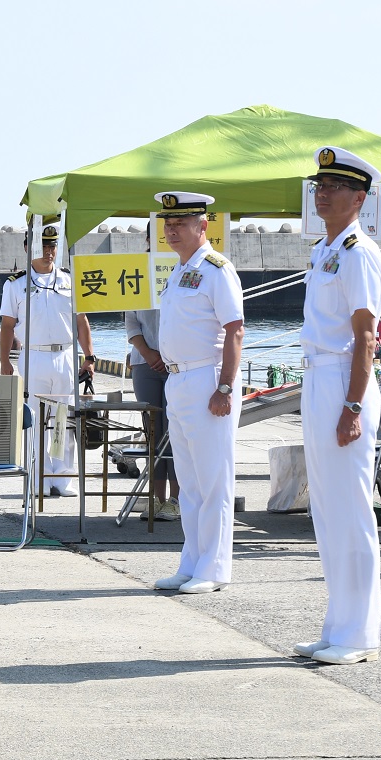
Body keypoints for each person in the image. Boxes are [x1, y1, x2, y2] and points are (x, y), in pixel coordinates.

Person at [292, 147, 381, 665]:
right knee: (327, 509)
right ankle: (338, 624)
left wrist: (352, 404)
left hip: (343, 381)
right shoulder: (324, 251)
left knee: (351, 509)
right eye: (318, 186)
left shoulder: (358, 252)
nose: (321, 192)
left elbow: (365, 337)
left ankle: (359, 632)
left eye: (333, 187)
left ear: (359, 197)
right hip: (318, 376)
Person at [149, 192, 244, 594]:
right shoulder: (179, 270)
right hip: (178, 381)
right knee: (189, 481)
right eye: (167, 224)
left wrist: (224, 386)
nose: (171, 231)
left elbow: (235, 330)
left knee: (213, 479)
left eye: (181, 224)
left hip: (208, 380)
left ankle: (215, 566)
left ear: (203, 226)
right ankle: (192, 561)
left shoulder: (217, 269)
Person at [0, 223, 95, 497]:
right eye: (43, 246)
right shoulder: (16, 284)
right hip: (34, 355)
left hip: (65, 355)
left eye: (53, 246)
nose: (49, 251)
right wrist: (4, 361)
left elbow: (81, 322)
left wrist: (89, 357)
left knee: (62, 418)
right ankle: (37, 476)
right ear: (28, 248)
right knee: (36, 418)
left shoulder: (68, 280)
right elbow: (7, 325)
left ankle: (61, 476)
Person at [125, 302, 179, 519]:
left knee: (174, 434)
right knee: (153, 434)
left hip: (178, 363)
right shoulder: (137, 280)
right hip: (143, 363)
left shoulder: (180, 279)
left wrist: (169, 355)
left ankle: (176, 500)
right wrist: (147, 353)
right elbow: (132, 323)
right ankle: (157, 498)